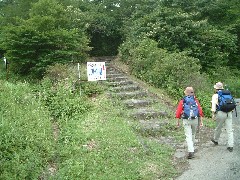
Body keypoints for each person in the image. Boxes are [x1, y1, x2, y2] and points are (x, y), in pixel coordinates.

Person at [175, 87, 204, 159]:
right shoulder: (195, 100)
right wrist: (201, 121)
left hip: (186, 119)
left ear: (186, 92)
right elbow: (200, 111)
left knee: (188, 135)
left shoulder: (183, 100)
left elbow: (178, 112)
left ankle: (191, 151)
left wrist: (177, 121)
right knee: (193, 134)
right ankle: (192, 148)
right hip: (195, 119)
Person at [211, 82, 234, 152]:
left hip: (221, 113)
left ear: (216, 88)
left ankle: (216, 140)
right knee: (230, 129)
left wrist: (213, 114)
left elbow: (213, 106)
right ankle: (230, 145)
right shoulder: (228, 94)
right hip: (229, 113)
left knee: (218, 127)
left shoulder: (215, 95)